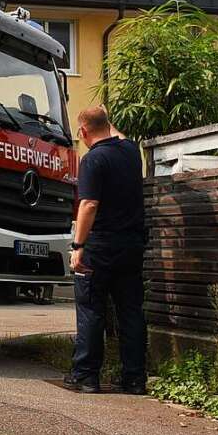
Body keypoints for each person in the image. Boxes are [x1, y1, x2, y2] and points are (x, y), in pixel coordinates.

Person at [65, 106, 148, 394]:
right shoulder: (130, 152)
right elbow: (118, 135)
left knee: (91, 309)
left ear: (84, 132)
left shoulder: (92, 160)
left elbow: (88, 205)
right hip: (131, 246)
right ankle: (135, 379)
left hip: (100, 247)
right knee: (131, 312)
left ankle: (86, 376)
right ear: (107, 125)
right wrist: (104, 119)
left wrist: (78, 246)